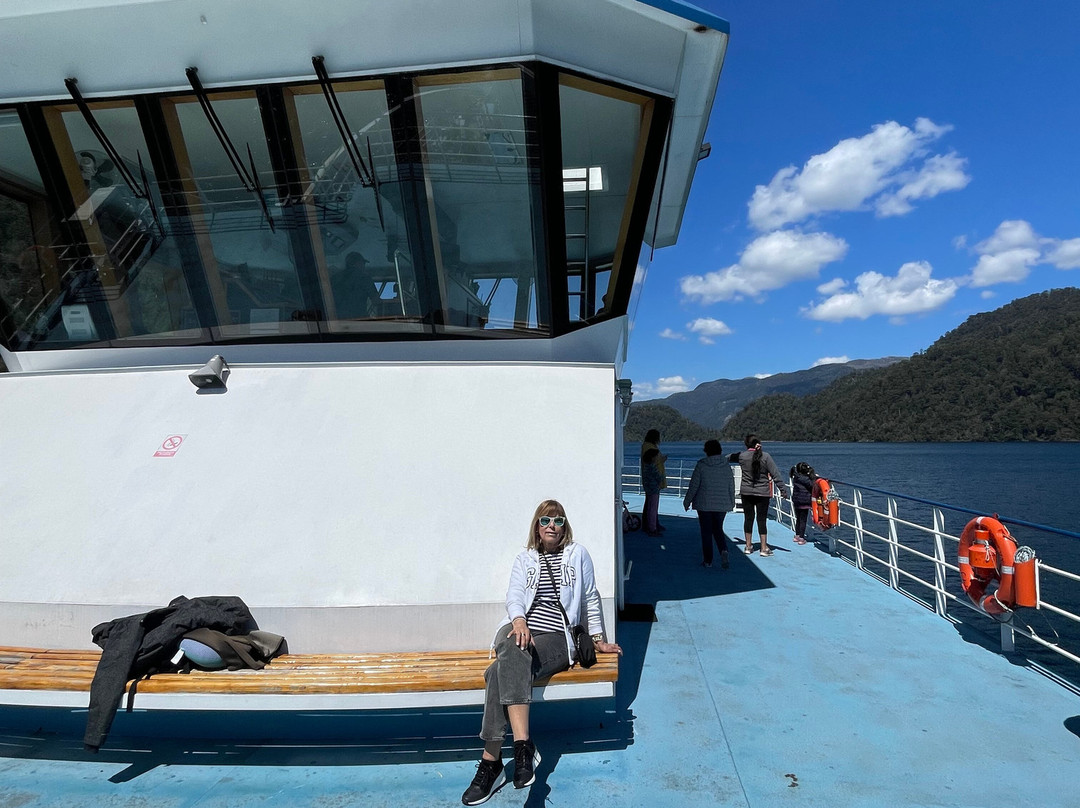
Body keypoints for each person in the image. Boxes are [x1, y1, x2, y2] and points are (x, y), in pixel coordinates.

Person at [462, 500, 622, 805]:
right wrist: (519, 620)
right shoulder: (525, 559)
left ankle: (491, 761)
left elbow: (589, 595)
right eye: (546, 520)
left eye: (558, 520)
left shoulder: (577, 555)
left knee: (499, 670)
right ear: (537, 525)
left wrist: (599, 638)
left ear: (565, 526)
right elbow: (515, 594)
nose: (552, 526)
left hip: (557, 638)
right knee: (513, 643)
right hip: (519, 630)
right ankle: (522, 747)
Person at [729, 434, 789, 557]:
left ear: (746, 445)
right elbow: (775, 474)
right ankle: (763, 548)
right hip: (762, 493)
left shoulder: (741, 456)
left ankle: (748, 546)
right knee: (761, 520)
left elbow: (727, 458)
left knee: (748, 518)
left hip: (746, 492)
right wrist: (783, 490)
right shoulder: (766, 457)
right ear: (758, 444)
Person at [683, 439, 737, 568]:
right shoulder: (726, 465)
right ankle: (723, 550)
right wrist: (732, 502)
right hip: (722, 504)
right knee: (718, 529)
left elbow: (694, 485)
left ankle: (708, 561)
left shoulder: (701, 465)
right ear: (720, 450)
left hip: (704, 504)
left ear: (706, 451)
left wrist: (687, 501)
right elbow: (731, 486)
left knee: (706, 532)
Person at [640, 429, 668, 533]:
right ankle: (650, 526)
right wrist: (661, 460)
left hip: (650, 481)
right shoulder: (648, 447)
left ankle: (653, 523)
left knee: (650, 504)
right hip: (653, 482)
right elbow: (650, 460)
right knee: (651, 504)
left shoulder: (649, 446)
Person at [789, 462, 816, 544]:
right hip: (804, 501)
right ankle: (801, 538)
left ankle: (797, 535)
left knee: (798, 519)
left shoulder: (796, 477)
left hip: (796, 500)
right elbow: (812, 485)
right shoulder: (806, 479)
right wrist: (813, 477)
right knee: (803, 520)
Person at [641, 447, 663, 536]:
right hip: (654, 490)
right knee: (653, 509)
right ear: (652, 457)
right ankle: (652, 529)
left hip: (649, 489)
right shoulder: (652, 467)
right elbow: (659, 477)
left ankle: (649, 527)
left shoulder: (646, 467)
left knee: (650, 508)